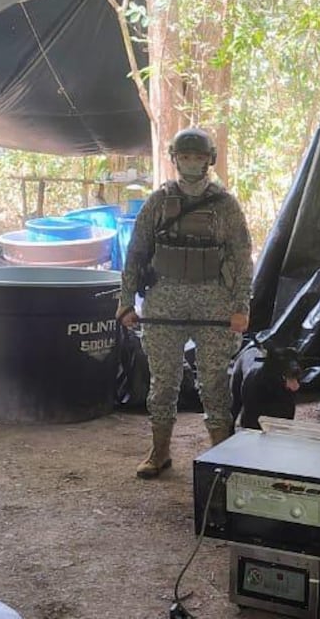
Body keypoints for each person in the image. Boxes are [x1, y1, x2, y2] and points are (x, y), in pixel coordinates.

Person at [117, 128, 253, 479]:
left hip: (213, 302)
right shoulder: (158, 202)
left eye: (198, 157)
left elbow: (241, 259)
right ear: (174, 158)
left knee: (214, 383)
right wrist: (125, 302)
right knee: (163, 382)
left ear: (210, 159)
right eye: (185, 156)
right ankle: (159, 451)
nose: (192, 163)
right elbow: (135, 254)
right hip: (164, 302)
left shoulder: (226, 205)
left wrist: (241, 307)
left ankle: (221, 455)